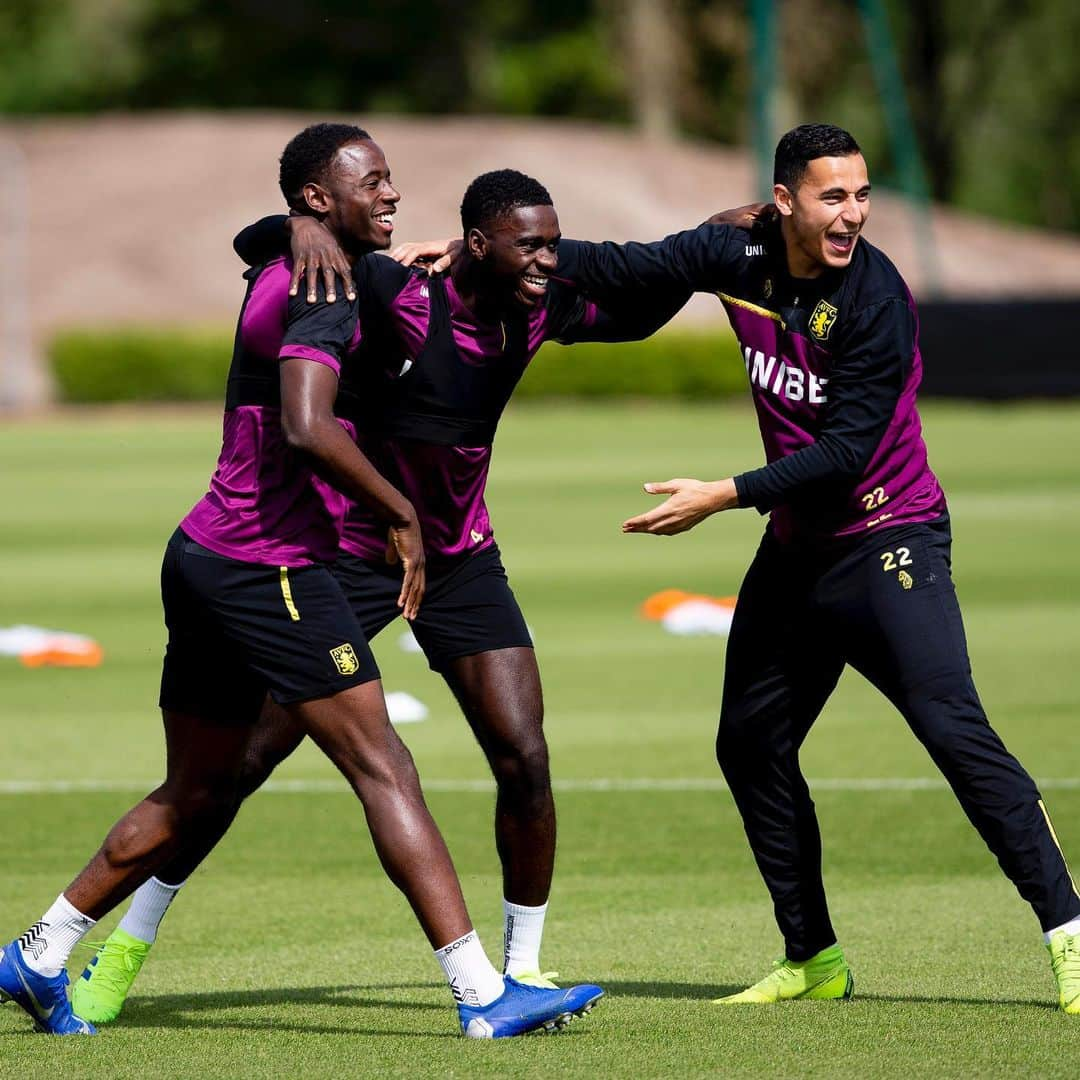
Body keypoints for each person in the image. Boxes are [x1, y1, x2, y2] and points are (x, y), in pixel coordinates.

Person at [0, 124, 601, 1039]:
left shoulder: (293, 264)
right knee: (383, 765)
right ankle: (485, 996)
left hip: (201, 550)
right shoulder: (327, 287)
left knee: (196, 790)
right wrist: (402, 513)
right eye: (373, 182)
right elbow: (307, 425)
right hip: (270, 564)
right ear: (320, 199)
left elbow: (261, 242)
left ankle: (40, 951)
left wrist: (291, 228)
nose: (393, 195)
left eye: (392, 178)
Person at [543, 122, 1080, 1012]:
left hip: (889, 538)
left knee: (952, 729)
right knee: (749, 744)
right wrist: (484, 253)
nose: (854, 214)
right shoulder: (737, 255)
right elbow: (622, 266)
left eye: (863, 195)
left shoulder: (877, 300)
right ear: (785, 200)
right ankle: (814, 960)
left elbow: (842, 452)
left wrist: (723, 492)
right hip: (798, 552)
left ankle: (1068, 931)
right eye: (834, 196)